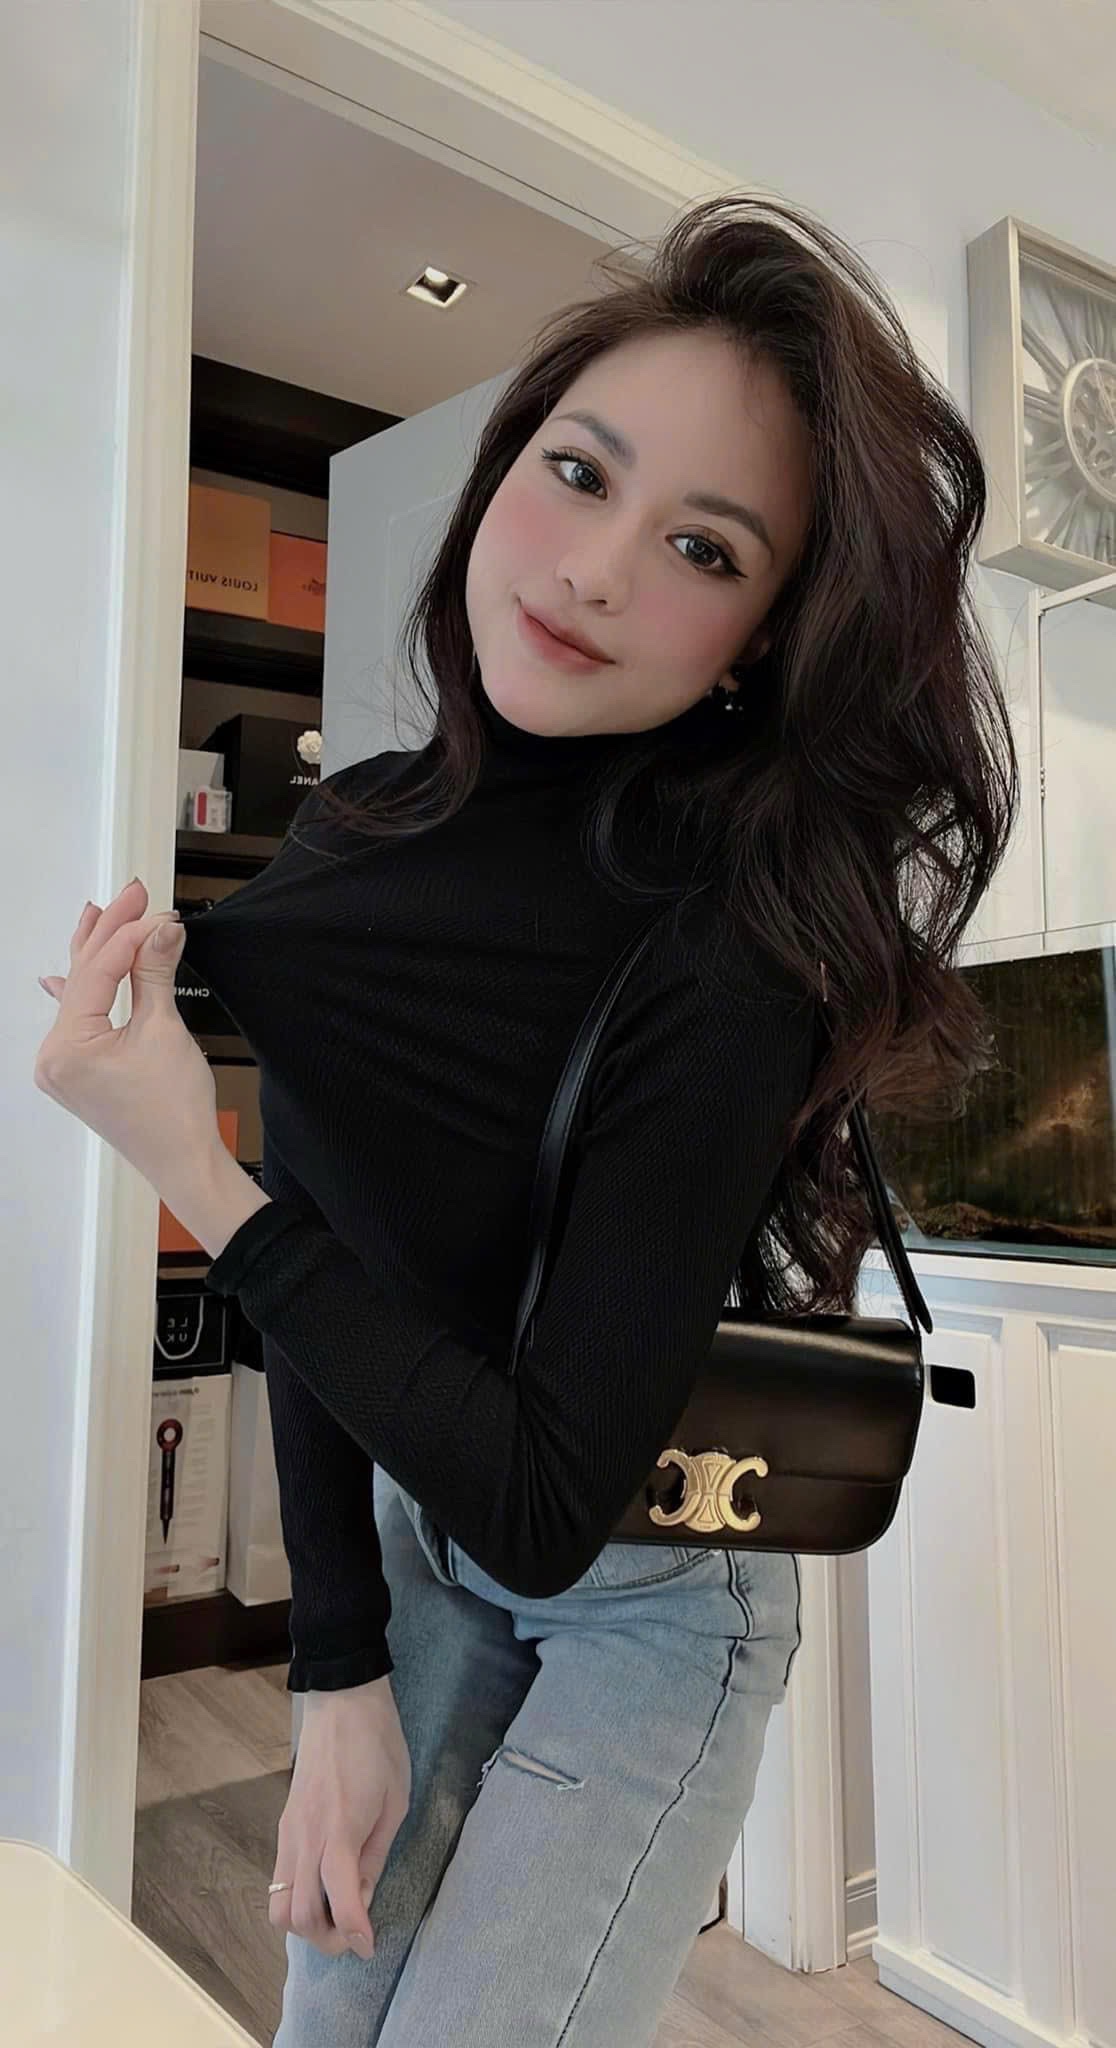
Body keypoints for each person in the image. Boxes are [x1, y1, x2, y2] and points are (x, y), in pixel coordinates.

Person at [177, 191, 1018, 2046]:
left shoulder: (728, 943)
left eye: (704, 547)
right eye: (578, 473)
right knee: (328, 2024)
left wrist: (188, 1172)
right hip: (423, 1516)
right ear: (504, 469)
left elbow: (552, 1498)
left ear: (758, 640)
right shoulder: (355, 839)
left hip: (651, 1594)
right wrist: (332, 1673)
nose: (595, 570)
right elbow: (334, 1268)